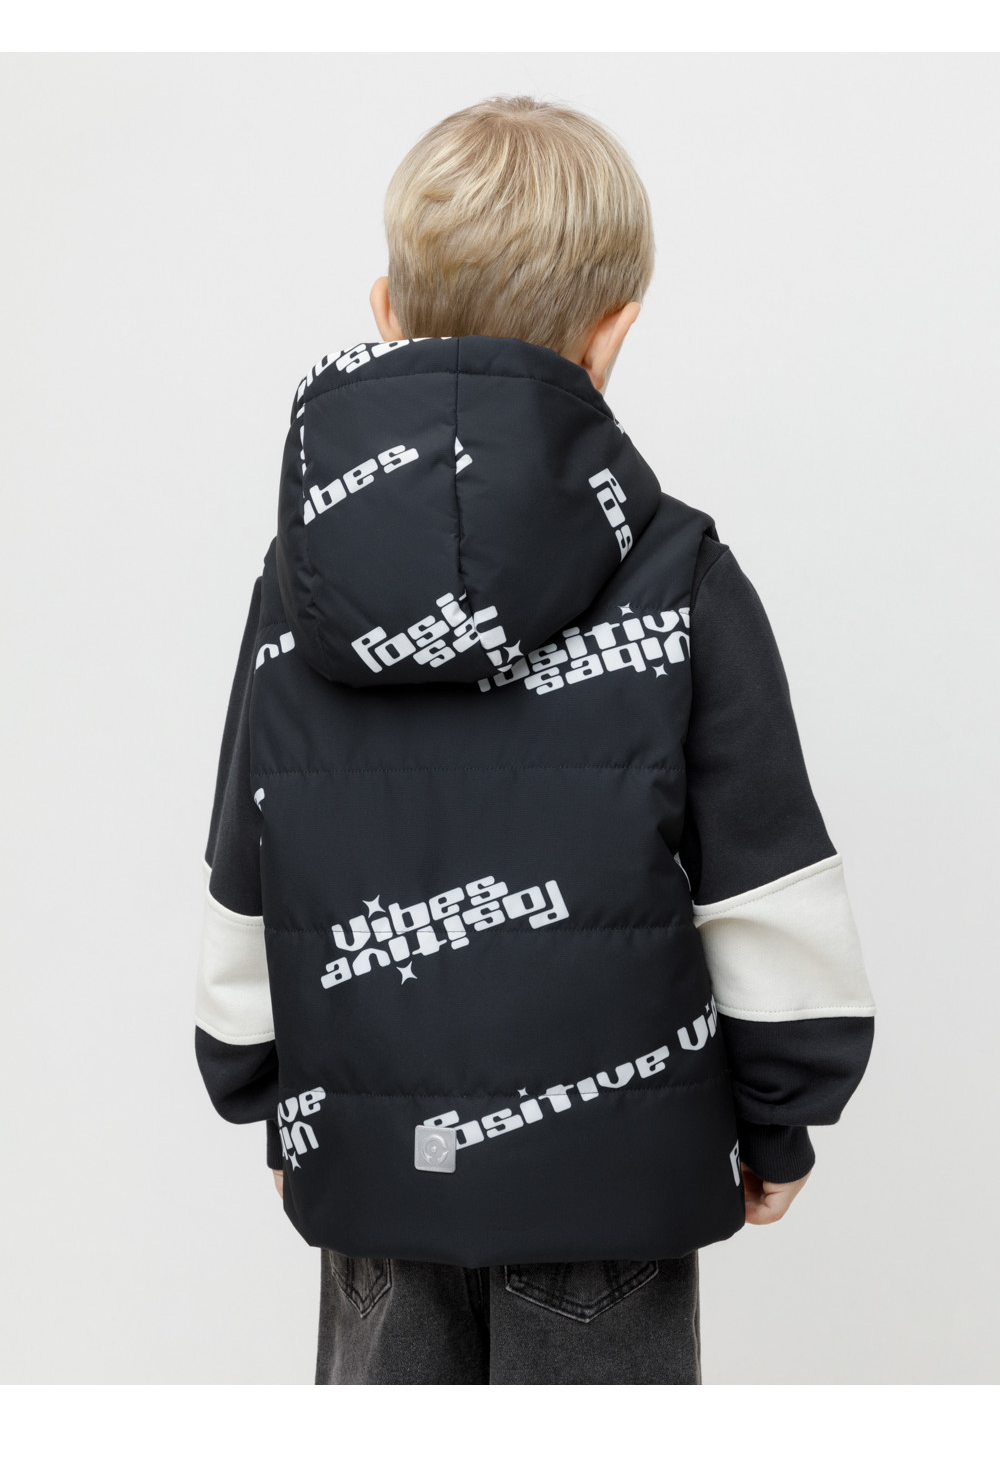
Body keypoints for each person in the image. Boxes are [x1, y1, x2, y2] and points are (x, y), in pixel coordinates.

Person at [194, 95, 875, 1385]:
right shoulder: (681, 574)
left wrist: (261, 1090)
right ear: (613, 335)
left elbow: (248, 865)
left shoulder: (298, 589)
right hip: (608, 1188)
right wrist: (781, 1119)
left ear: (386, 310)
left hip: (374, 1183)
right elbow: (765, 882)